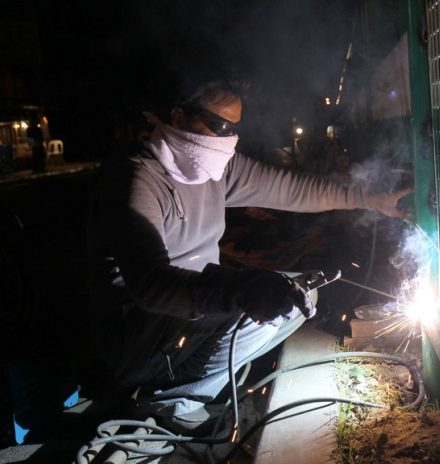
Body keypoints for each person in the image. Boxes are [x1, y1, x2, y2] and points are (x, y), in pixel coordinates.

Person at [86, 69, 410, 435]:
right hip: (139, 332)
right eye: (218, 126)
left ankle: (182, 391)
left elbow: (291, 188)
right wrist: (239, 290)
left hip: (190, 318)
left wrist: (368, 197)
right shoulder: (136, 177)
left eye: (234, 129)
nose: (227, 140)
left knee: (297, 294)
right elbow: (150, 284)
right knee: (257, 294)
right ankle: (170, 399)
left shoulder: (214, 168)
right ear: (178, 117)